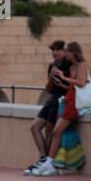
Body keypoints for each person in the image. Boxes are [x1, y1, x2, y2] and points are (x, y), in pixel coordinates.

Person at [35, 41, 91, 175]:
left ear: (73, 52)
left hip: (75, 104)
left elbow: (82, 83)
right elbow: (72, 87)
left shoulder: (82, 65)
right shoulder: (72, 68)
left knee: (56, 131)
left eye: (66, 51)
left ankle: (51, 162)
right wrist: (61, 82)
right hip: (68, 100)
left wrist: (63, 78)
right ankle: (52, 162)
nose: (65, 53)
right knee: (57, 132)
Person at [27, 41, 70, 172]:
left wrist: (62, 82)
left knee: (50, 129)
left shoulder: (69, 65)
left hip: (62, 101)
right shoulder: (52, 66)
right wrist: (51, 78)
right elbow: (49, 89)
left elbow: (72, 89)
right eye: (53, 50)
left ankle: (48, 162)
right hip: (51, 99)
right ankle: (43, 158)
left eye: (57, 49)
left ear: (64, 51)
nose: (54, 52)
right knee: (35, 127)